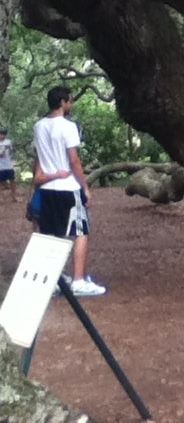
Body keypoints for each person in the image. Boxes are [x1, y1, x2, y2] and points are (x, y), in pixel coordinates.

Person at [33, 86, 106, 297]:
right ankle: (79, 281)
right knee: (81, 232)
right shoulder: (68, 126)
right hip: (68, 186)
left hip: (48, 188)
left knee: (53, 233)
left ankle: (54, 280)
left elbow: (38, 157)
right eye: (70, 100)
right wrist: (84, 186)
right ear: (63, 102)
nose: (71, 104)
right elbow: (73, 160)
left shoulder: (38, 126)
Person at [0, 128, 16, 202]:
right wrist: (3, 150)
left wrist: (12, 147)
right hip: (0, 166)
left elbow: (14, 151)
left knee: (12, 180)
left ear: (5, 135)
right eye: (0, 134)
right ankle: (1, 198)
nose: (1, 136)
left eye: (3, 134)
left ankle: (14, 197)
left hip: (9, 165)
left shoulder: (9, 141)